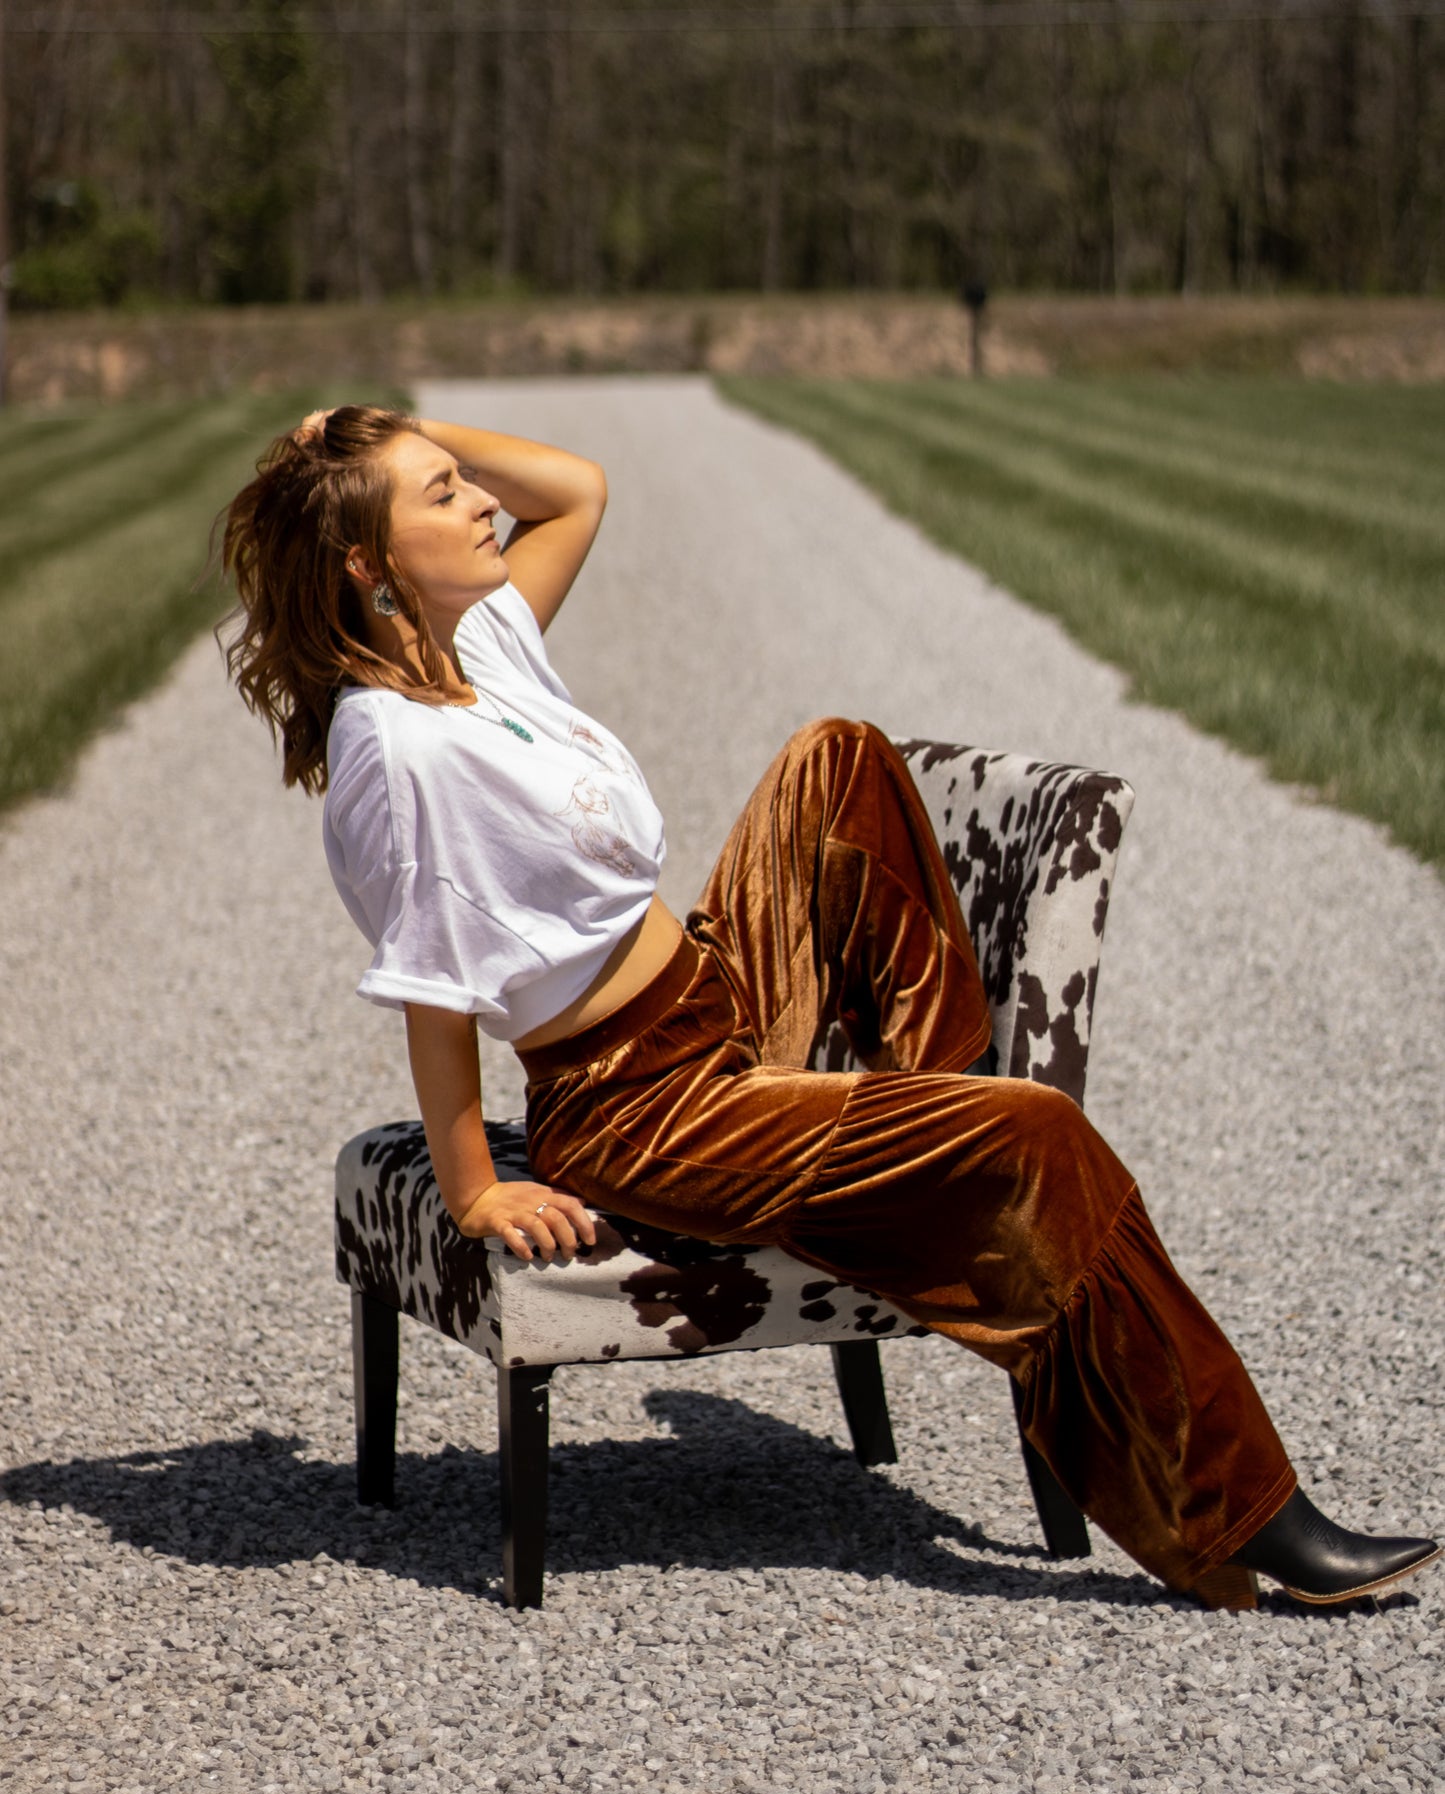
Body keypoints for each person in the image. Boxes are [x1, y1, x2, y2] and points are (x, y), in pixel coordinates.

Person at [221, 403, 1438, 1615]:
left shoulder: (473, 644)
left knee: (837, 760)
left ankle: (938, 1121)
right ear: (366, 565)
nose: (481, 501)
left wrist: (399, 426)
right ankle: (1247, 1511)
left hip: (714, 992)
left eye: (457, 480)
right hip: (649, 1102)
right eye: (440, 496)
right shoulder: (396, 750)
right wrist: (476, 1182)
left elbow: (575, 488)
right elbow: (434, 983)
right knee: (1041, 1138)